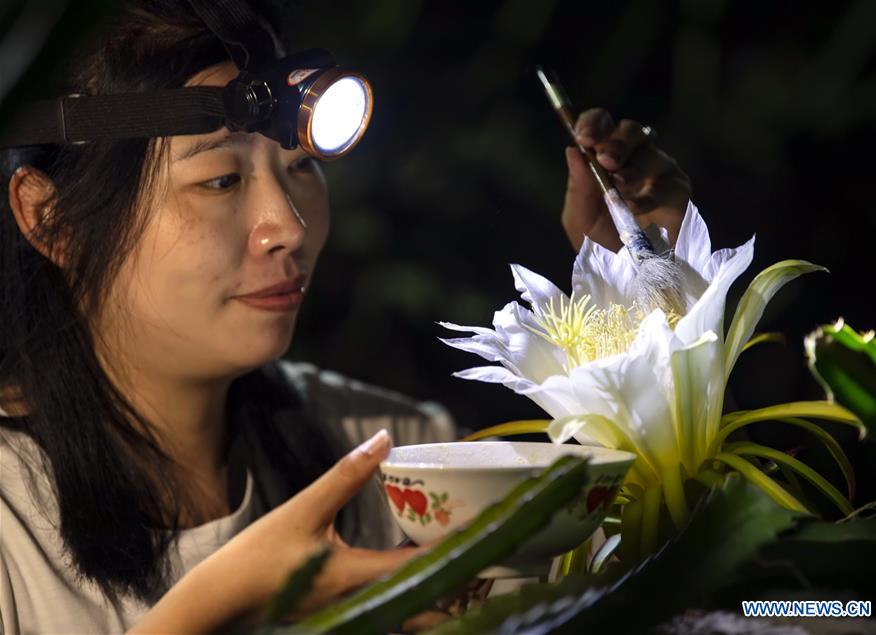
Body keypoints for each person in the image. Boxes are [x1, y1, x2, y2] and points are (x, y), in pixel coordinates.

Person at [0, 2, 691, 633]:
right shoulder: (11, 522)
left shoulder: (401, 463)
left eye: (301, 168)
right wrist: (217, 603)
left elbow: (726, 596)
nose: (289, 226)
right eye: (220, 180)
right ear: (49, 218)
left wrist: (648, 289)